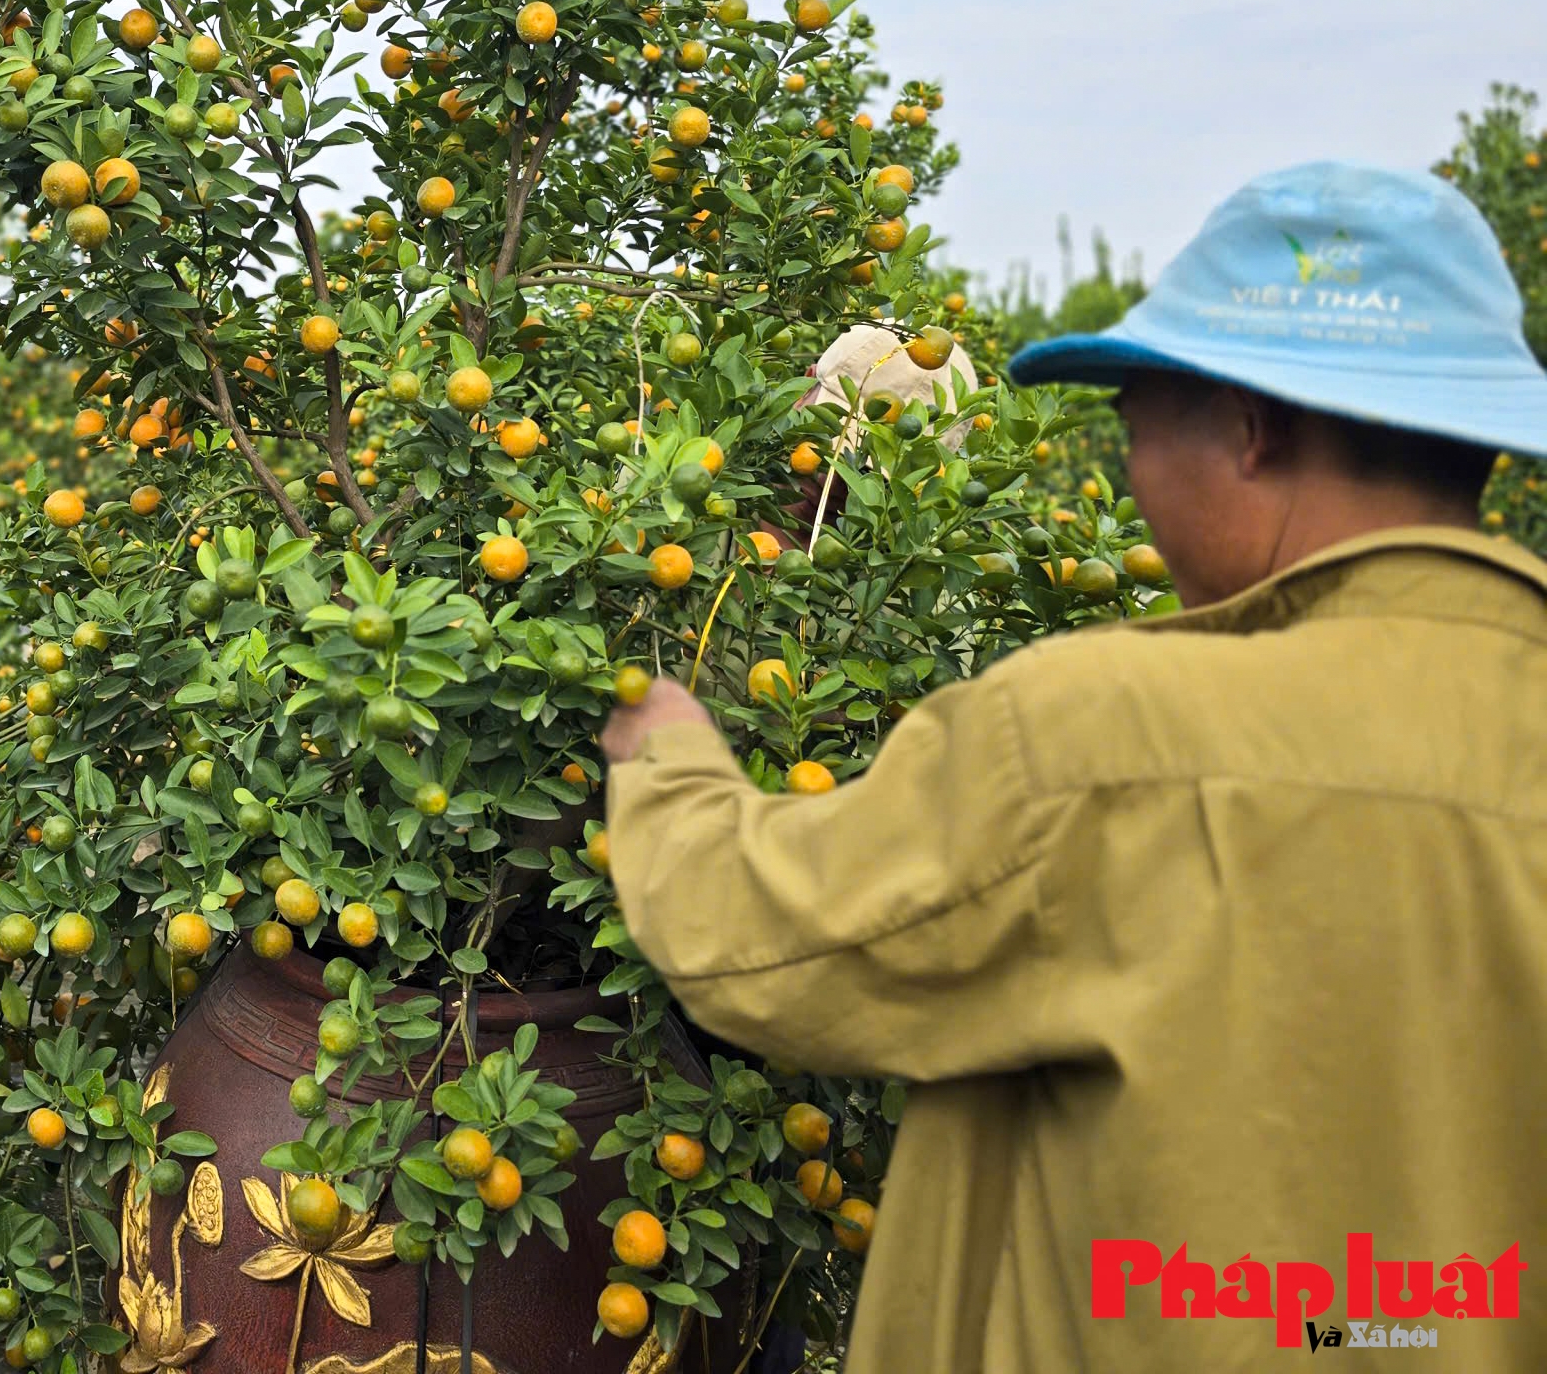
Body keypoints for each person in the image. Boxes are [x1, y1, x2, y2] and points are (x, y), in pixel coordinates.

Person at [600, 162, 1547, 1371]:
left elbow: (766, 936)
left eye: (1136, 421)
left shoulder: (1101, 735)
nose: (1133, 470)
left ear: (1249, 431)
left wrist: (667, 759)